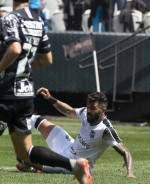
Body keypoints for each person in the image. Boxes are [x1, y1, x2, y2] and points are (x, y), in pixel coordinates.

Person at [0, 1, 92, 183]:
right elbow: (47, 59)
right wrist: (23, 67)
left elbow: (15, 48)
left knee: (25, 153)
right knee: (26, 153)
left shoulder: (10, 18)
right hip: (25, 93)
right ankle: (74, 165)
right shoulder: (37, 21)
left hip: (5, 91)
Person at [16, 87, 136, 178]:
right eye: (88, 106)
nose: (88, 110)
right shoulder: (85, 112)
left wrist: (130, 173)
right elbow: (69, 111)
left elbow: (126, 152)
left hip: (75, 164)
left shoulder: (105, 130)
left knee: (23, 158)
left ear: (103, 110)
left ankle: (30, 167)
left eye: (93, 108)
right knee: (37, 120)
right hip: (68, 146)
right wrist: (49, 98)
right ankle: (10, 118)